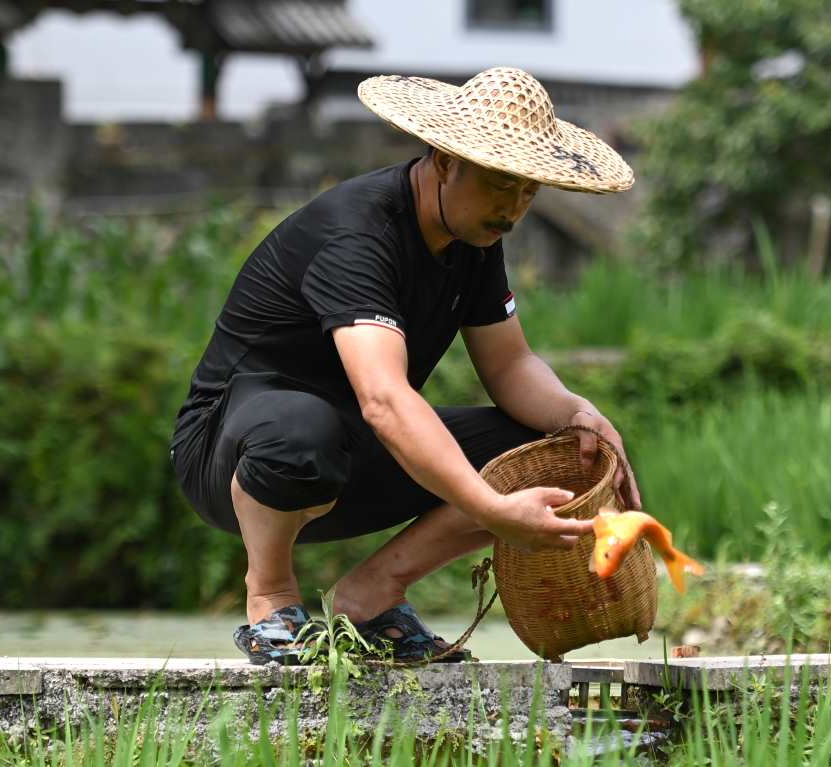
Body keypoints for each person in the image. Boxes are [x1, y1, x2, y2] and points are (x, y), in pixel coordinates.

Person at [170, 67, 641, 665]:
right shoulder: (358, 234)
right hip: (232, 453)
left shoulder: (475, 238)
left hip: (355, 449)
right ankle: (270, 594)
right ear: (445, 160)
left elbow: (512, 364)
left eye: (528, 191)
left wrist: (580, 414)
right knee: (301, 433)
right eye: (500, 184)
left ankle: (372, 594)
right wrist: (491, 508)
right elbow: (385, 399)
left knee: (551, 446)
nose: (513, 210)